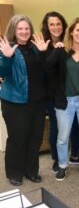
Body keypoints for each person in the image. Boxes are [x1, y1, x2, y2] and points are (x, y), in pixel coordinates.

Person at [0, 15, 49, 186]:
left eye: (27, 28)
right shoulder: (7, 47)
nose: (24, 31)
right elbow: (3, 73)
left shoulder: (35, 47)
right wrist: (6, 57)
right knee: (17, 138)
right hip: (14, 102)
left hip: (37, 101)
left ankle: (31, 171)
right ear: (14, 29)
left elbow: (44, 72)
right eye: (20, 28)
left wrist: (43, 54)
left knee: (35, 138)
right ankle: (14, 172)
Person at [46, 17, 79, 181]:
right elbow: (48, 67)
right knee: (63, 137)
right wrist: (56, 48)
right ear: (72, 32)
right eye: (78, 30)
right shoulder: (62, 51)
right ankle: (62, 166)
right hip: (65, 102)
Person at [41, 11, 79, 173]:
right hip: (53, 95)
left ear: (64, 26)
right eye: (52, 24)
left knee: (76, 126)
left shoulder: (70, 43)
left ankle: (75, 155)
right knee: (57, 128)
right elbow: (43, 70)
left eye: (58, 24)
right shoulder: (43, 45)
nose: (56, 27)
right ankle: (57, 159)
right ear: (47, 27)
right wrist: (48, 51)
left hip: (73, 92)